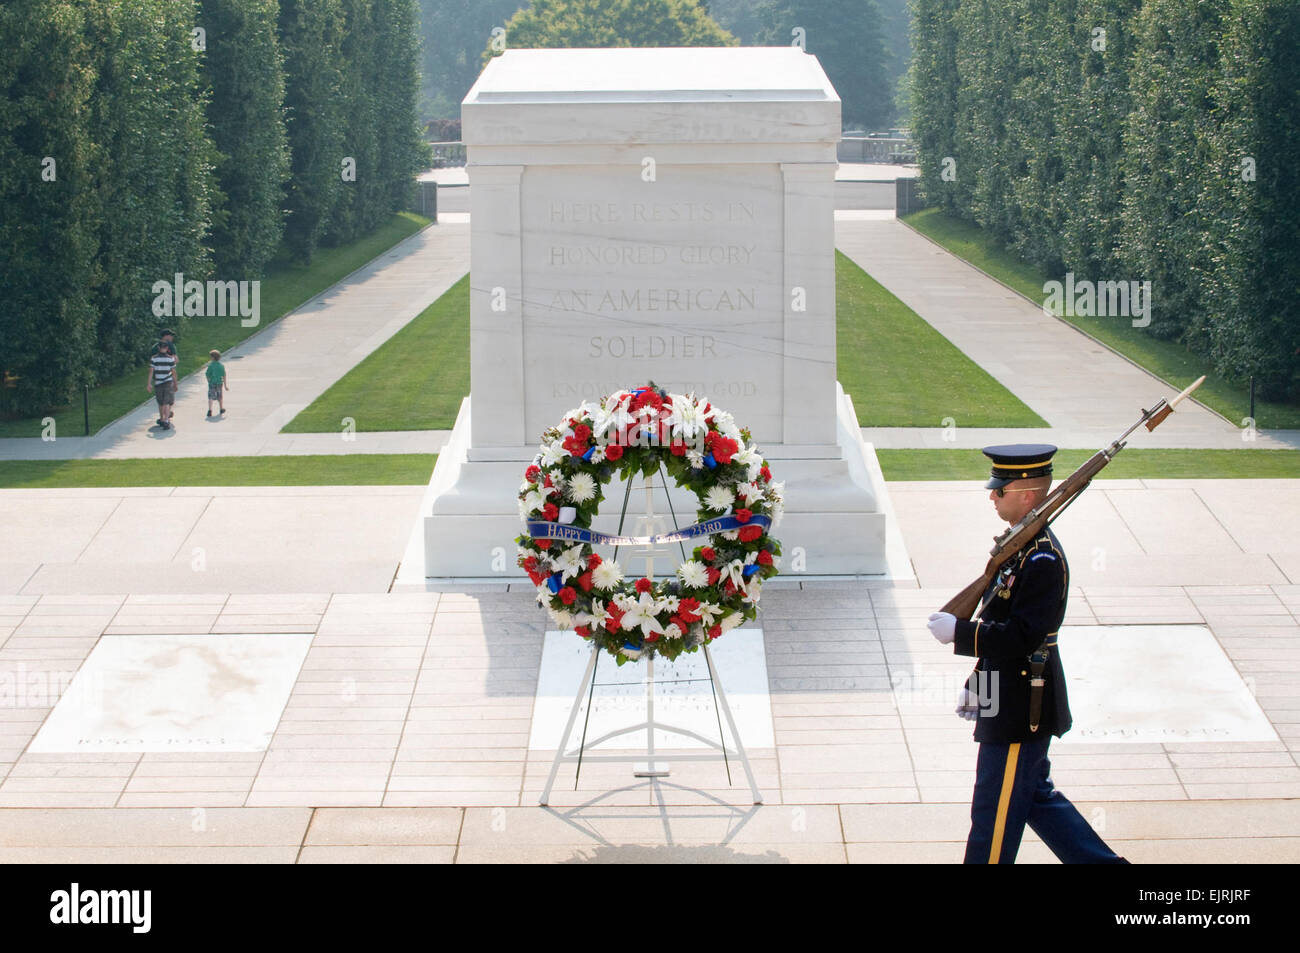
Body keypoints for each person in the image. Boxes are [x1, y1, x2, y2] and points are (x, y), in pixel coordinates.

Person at [926, 444, 1127, 864]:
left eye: (1000, 490)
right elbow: (1001, 618)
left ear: (1027, 496)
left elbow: (1021, 637)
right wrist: (977, 686)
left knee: (994, 814)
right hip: (1009, 696)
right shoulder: (1020, 548)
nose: (992, 496)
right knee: (1035, 799)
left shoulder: (1042, 559)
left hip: (1023, 705)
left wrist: (962, 632)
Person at [147, 340, 178, 430]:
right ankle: (166, 420)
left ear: (159, 348)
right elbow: (173, 372)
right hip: (168, 381)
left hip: (158, 382)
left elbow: (151, 371)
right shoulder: (170, 359)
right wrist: (175, 383)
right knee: (166, 402)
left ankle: (162, 419)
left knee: (160, 402)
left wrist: (149, 384)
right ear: (167, 348)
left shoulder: (154, 358)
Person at [205, 349, 228, 417]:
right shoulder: (221, 366)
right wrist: (225, 385)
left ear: (212, 358)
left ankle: (210, 410)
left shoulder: (211, 366)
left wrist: (209, 381)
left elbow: (207, 374)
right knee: (220, 396)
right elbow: (224, 375)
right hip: (219, 383)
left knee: (210, 397)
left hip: (212, 383)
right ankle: (221, 408)